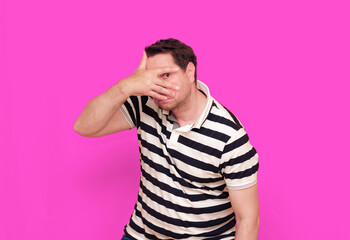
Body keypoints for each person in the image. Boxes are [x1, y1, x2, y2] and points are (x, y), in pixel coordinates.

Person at [74, 38, 260, 240]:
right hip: (142, 234)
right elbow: (84, 126)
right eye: (151, 78)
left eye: (166, 75)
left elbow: (247, 219)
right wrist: (125, 86)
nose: (158, 86)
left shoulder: (230, 137)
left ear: (190, 72)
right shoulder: (145, 104)